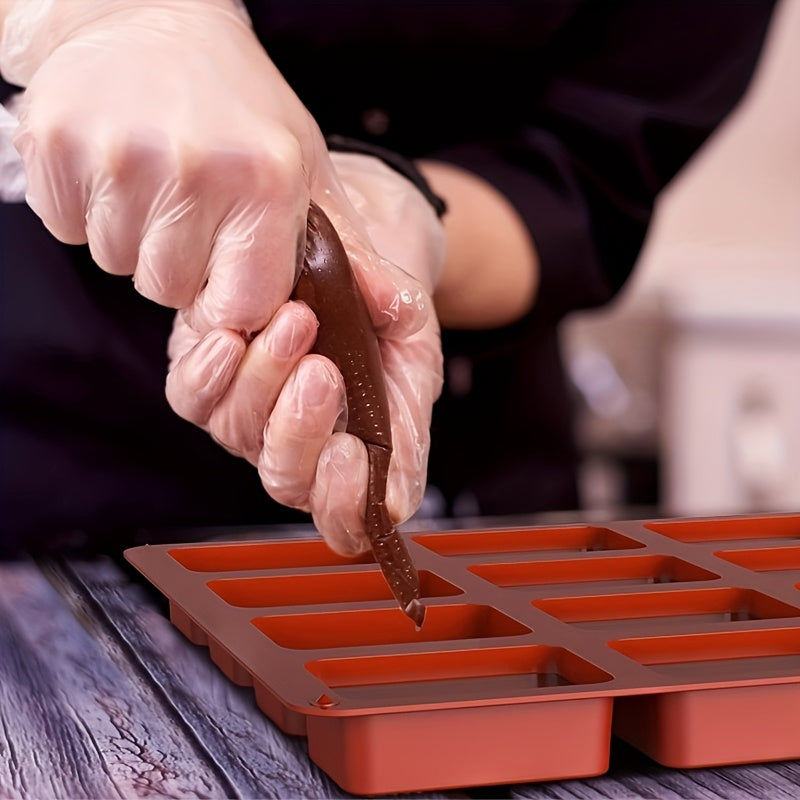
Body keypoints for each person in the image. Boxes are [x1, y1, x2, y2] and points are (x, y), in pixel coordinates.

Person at [0, 0, 777, 557]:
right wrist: (94, 18)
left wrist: (403, 218)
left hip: (467, 462)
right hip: (51, 460)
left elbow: (585, 180)